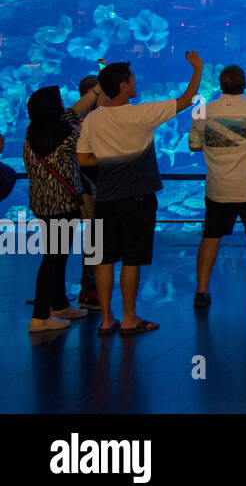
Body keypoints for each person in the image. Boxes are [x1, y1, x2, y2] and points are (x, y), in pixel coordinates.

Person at [77, 51, 204, 337]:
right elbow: (186, 101)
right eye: (132, 79)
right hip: (138, 198)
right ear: (123, 85)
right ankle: (130, 318)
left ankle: (106, 319)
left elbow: (83, 159)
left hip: (105, 198)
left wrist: (109, 159)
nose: (136, 82)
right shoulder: (142, 113)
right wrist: (197, 69)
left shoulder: (94, 120)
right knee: (132, 259)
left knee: (104, 259)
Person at [189, 65, 246, 309]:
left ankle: (201, 292)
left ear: (221, 85)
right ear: (244, 84)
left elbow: (193, 145)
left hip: (218, 188)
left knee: (211, 237)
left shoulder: (201, 112)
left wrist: (222, 139)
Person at [23, 83, 101, 332]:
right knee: (53, 259)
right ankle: (40, 316)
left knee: (57, 255)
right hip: (62, 205)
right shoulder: (66, 137)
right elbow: (90, 149)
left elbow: (74, 111)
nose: (63, 105)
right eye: (59, 102)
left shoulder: (34, 131)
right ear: (52, 108)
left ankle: (58, 305)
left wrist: (98, 89)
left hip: (42, 203)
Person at [72, 74, 104, 311]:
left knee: (92, 239)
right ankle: (89, 287)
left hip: (84, 186)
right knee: (93, 238)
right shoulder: (83, 121)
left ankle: (84, 287)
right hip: (87, 187)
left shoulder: (76, 119)